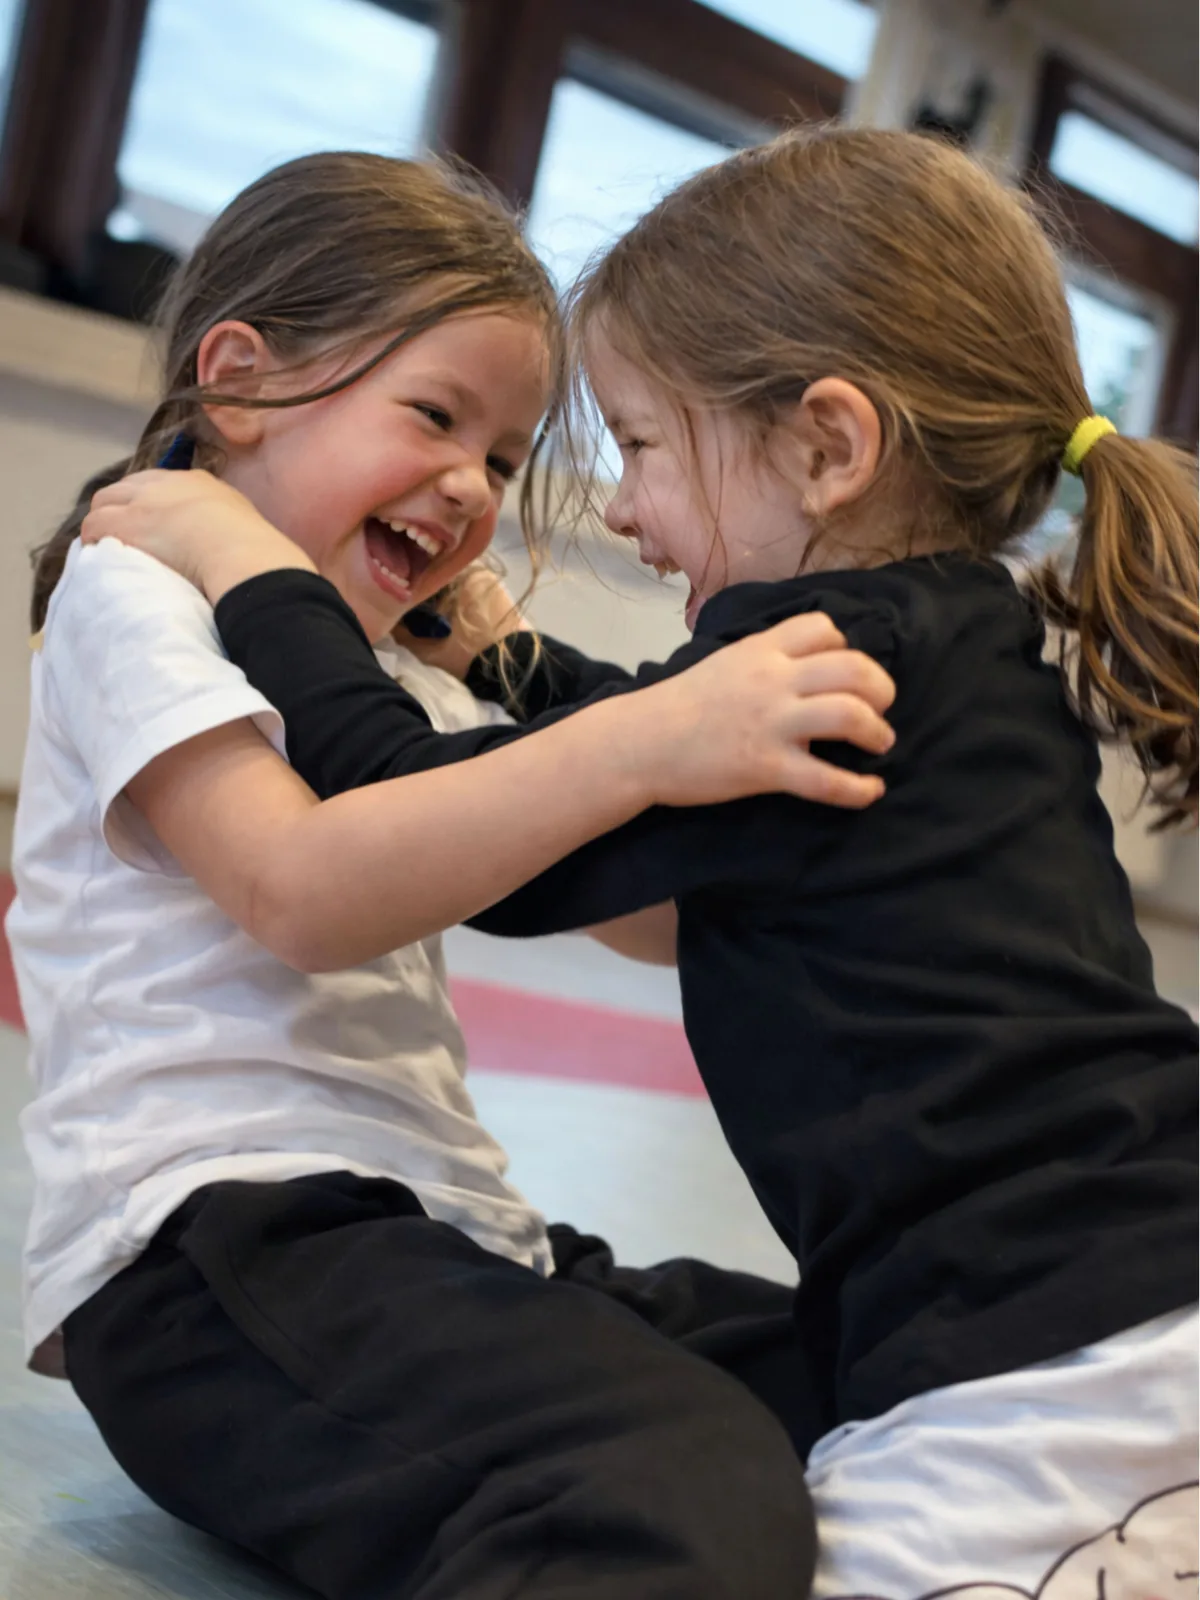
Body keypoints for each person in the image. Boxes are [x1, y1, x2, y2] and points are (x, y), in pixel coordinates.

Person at [90, 128, 1199, 1598]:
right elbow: (640, 764)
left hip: (1033, 1358)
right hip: (1136, 1285)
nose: (615, 508)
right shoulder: (964, 648)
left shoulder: (825, 659)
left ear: (828, 446)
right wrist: (504, 654)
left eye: (644, 446)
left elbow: (409, 802)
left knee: (715, 1543)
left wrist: (252, 566)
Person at [8, 149, 903, 1600]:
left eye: (499, 458)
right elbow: (303, 891)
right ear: (233, 383)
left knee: (883, 1375)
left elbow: (648, 922)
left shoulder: (375, 683)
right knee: (677, 1489)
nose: (470, 487)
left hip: (455, 1239)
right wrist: (643, 744)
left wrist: (541, 683)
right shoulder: (140, 591)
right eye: (435, 416)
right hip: (213, 1263)